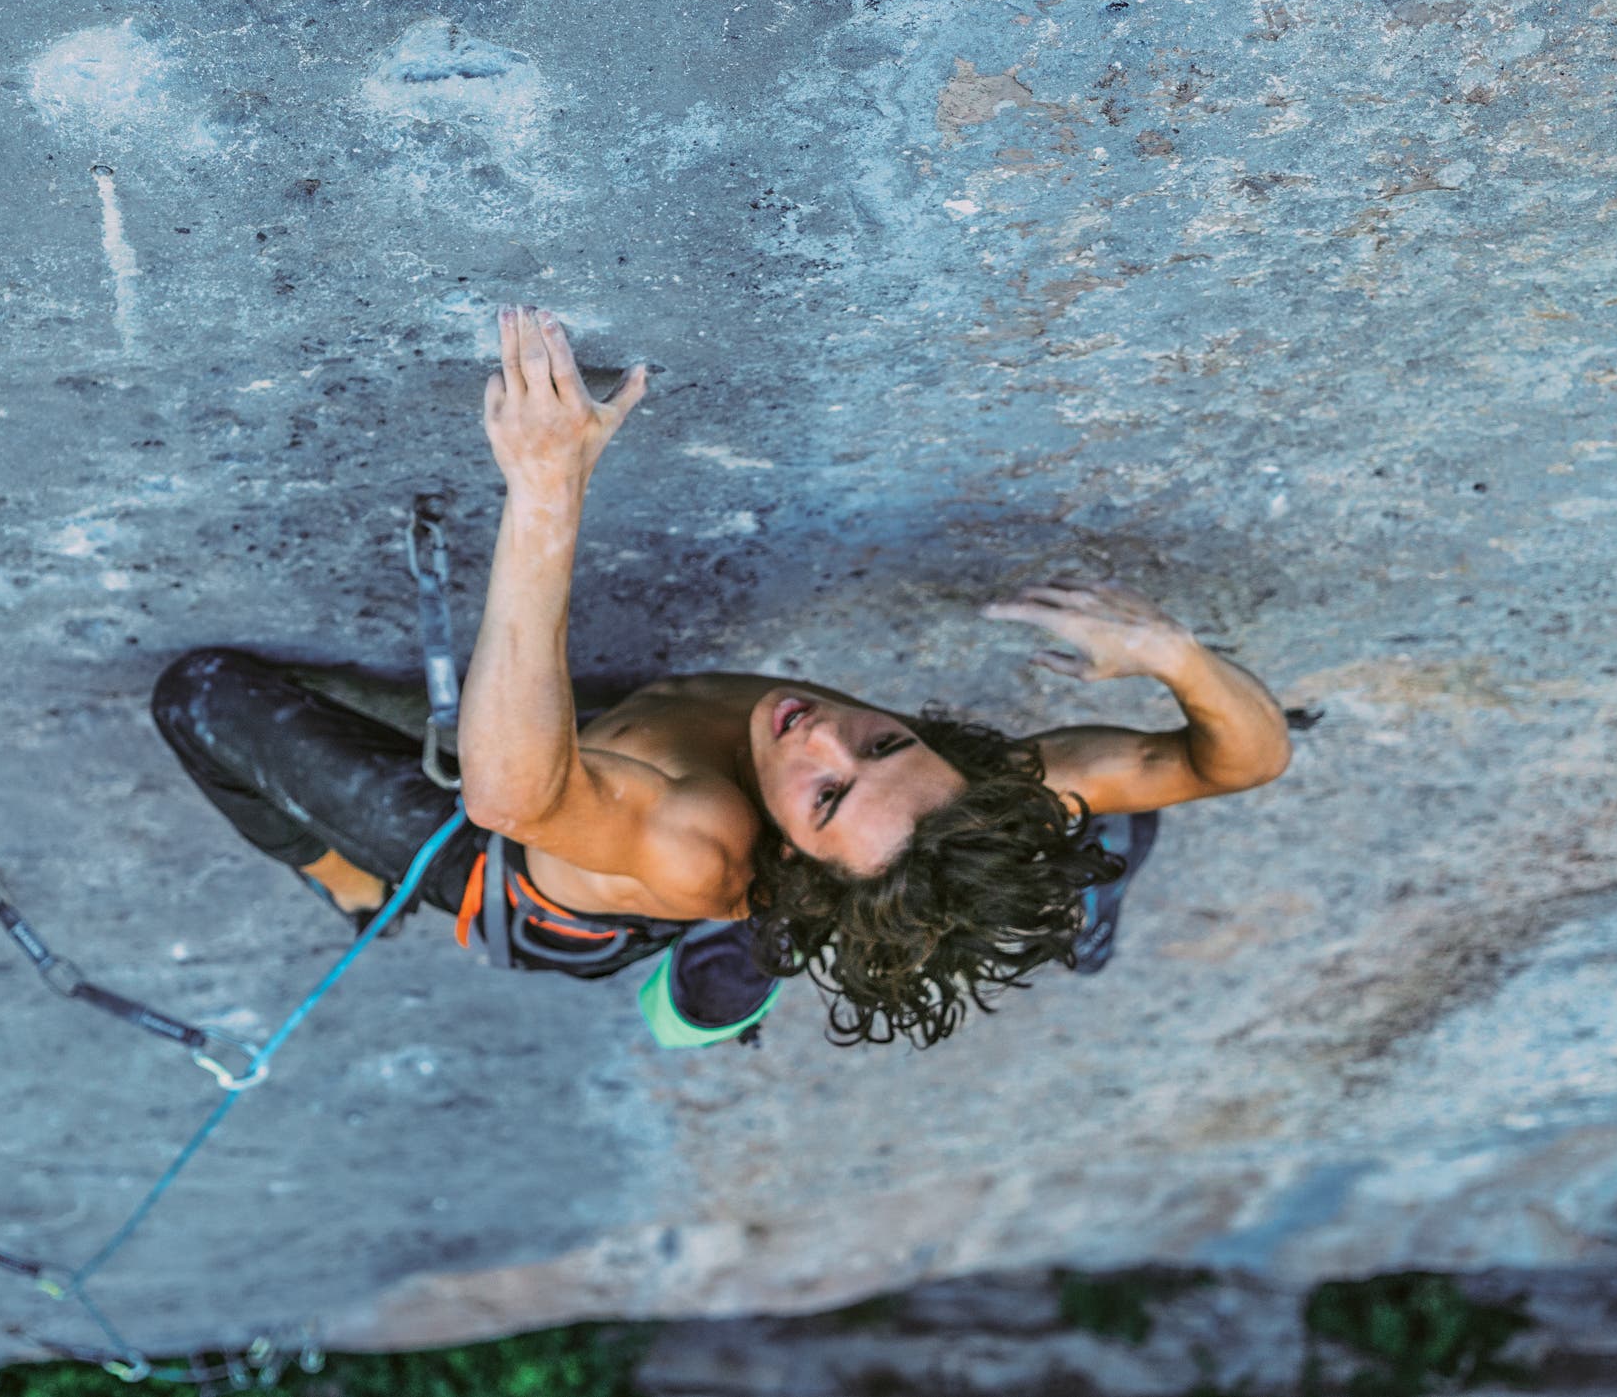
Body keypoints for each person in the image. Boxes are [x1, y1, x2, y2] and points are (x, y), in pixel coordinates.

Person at [151, 306, 1292, 1049]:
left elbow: (511, 794)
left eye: (827, 793)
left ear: (789, 851)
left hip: (529, 878)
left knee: (198, 698)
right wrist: (1169, 653)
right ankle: (1052, 888)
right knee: (1088, 804)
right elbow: (1240, 757)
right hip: (719, 829)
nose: (826, 735)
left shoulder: (691, 836)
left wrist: (546, 485)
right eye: (887, 741)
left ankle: (344, 887)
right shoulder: (958, 794)